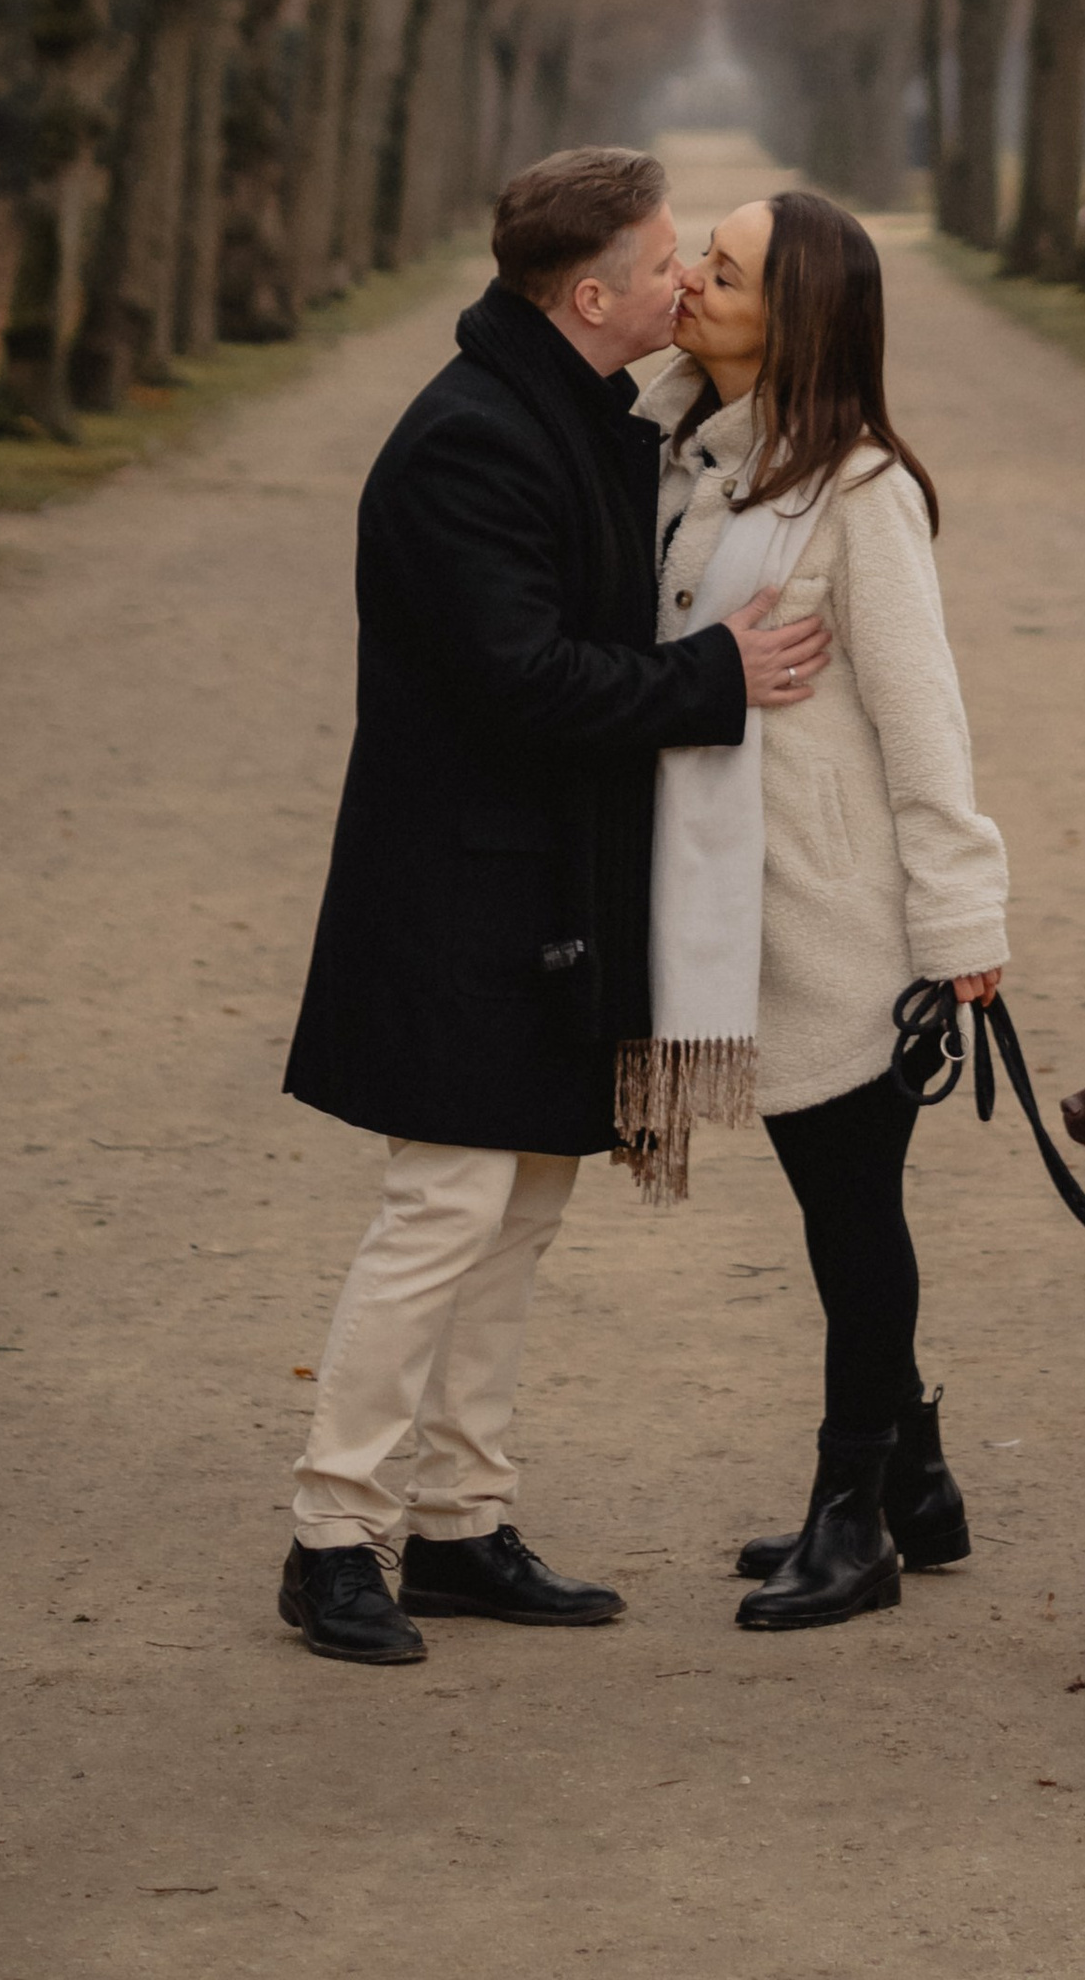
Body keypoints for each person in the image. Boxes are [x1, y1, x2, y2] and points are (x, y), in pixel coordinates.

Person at [278, 145, 833, 1667]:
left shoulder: (578, 409)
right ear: (592, 293)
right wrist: (716, 677)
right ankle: (334, 1533)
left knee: (519, 1209)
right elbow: (521, 680)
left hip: (542, 899)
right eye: (668, 263)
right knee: (443, 1208)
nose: (689, 283)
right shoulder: (472, 443)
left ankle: (459, 1519)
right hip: (455, 898)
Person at [627, 189, 1008, 1633]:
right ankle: (915, 1473)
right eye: (702, 264)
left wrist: (963, 927)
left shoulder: (858, 492)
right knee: (832, 1206)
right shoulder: (682, 454)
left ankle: (855, 1517)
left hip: (842, 923)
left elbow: (928, 723)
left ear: (799, 320)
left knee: (852, 1221)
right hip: (733, 901)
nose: (695, 285)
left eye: (724, 274)